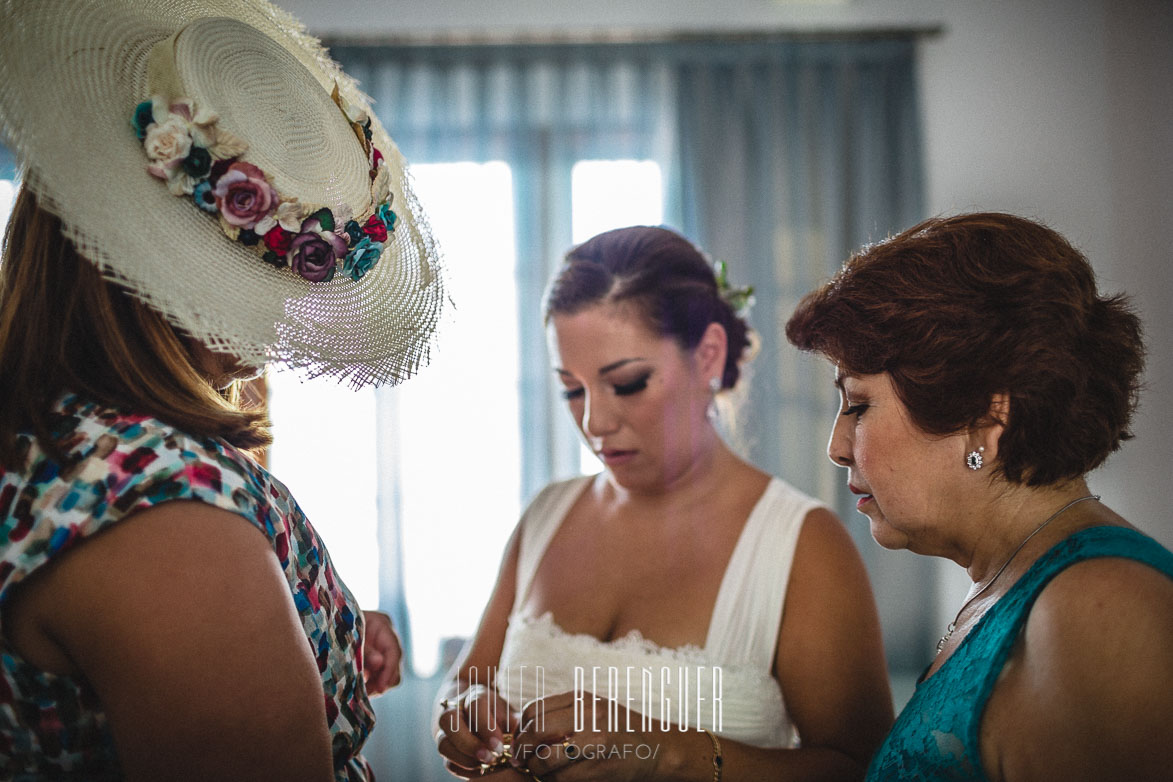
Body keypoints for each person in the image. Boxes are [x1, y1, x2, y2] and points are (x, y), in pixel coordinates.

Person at [0, 0, 444, 778]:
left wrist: (306, 629)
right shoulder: (157, 506)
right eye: (265, 273)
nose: (286, 304)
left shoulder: (60, 450)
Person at [435, 226, 893, 781]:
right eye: (571, 390)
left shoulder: (802, 545)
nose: (594, 424)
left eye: (626, 383)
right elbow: (466, 683)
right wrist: (461, 715)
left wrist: (674, 753)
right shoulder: (546, 514)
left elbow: (864, 771)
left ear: (708, 355)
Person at [785, 212, 1173, 781]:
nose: (837, 448)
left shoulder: (1096, 609)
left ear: (984, 422)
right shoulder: (1008, 580)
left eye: (860, 406)